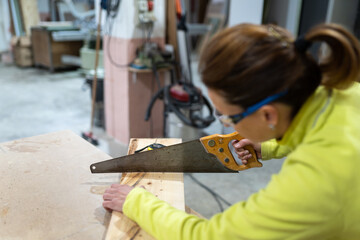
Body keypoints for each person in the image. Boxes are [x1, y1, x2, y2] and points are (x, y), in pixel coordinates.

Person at [102, 23, 360, 239]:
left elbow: (207, 236)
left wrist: (136, 202)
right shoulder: (345, 91)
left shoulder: (312, 182)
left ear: (268, 114)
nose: (226, 124)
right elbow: (313, 129)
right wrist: (268, 147)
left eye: (229, 117)